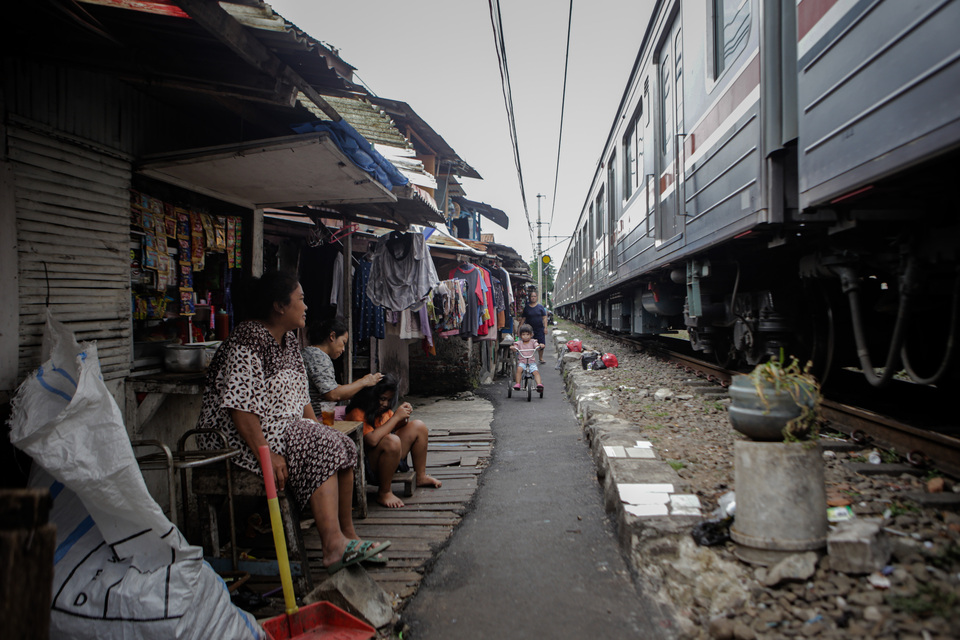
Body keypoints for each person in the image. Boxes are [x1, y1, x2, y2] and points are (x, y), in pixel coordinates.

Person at [196, 271, 388, 574]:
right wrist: (267, 454)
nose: (306, 306)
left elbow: (302, 399)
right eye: (300, 299)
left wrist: (317, 428)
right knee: (322, 446)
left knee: (340, 442)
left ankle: (348, 538)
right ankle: (332, 546)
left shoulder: (288, 341)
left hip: (281, 430)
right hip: (237, 440)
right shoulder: (247, 341)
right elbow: (241, 410)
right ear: (279, 306)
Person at [345, 374, 442, 508]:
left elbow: (392, 427)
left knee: (418, 426)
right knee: (392, 440)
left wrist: (403, 418)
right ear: (371, 396)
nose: (385, 404)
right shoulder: (357, 412)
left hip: (390, 459)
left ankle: (420, 476)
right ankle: (384, 492)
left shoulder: (384, 411)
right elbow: (372, 440)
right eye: (382, 399)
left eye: (388, 400)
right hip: (367, 465)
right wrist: (395, 418)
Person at [302, 317, 383, 409]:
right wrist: (364, 381)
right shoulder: (318, 357)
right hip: (317, 417)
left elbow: (333, 388)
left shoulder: (308, 353)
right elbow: (333, 394)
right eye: (343, 342)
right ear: (332, 336)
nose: (343, 349)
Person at [512, 323, 543, 392]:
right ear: (520, 335)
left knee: (536, 372)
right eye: (523, 334)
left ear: (531, 335)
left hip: (531, 362)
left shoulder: (533, 342)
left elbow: (537, 346)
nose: (525, 336)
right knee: (519, 369)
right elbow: (515, 347)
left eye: (527, 334)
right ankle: (518, 383)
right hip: (522, 362)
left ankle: (539, 384)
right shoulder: (519, 343)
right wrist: (514, 348)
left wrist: (539, 346)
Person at [520, 290, 549, 363]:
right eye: (532, 296)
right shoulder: (527, 308)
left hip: (539, 328)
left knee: (541, 344)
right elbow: (523, 318)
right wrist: (520, 328)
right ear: (529, 298)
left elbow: (544, 317)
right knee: (529, 344)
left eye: (534, 296)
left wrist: (545, 327)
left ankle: (541, 358)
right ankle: (529, 358)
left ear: (536, 297)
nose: (533, 298)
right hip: (529, 330)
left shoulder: (540, 307)